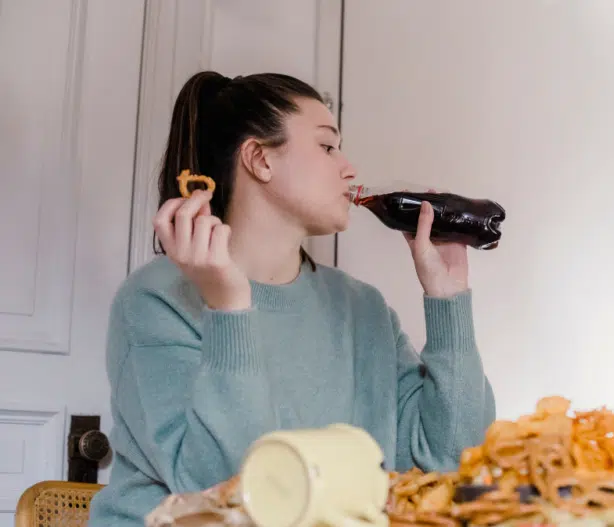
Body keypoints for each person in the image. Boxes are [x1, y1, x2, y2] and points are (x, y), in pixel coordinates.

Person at [88, 71, 495, 526]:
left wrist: (448, 298)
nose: (349, 167)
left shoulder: (362, 309)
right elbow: (225, 491)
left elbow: (452, 462)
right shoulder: (155, 300)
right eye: (327, 146)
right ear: (259, 159)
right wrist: (229, 307)